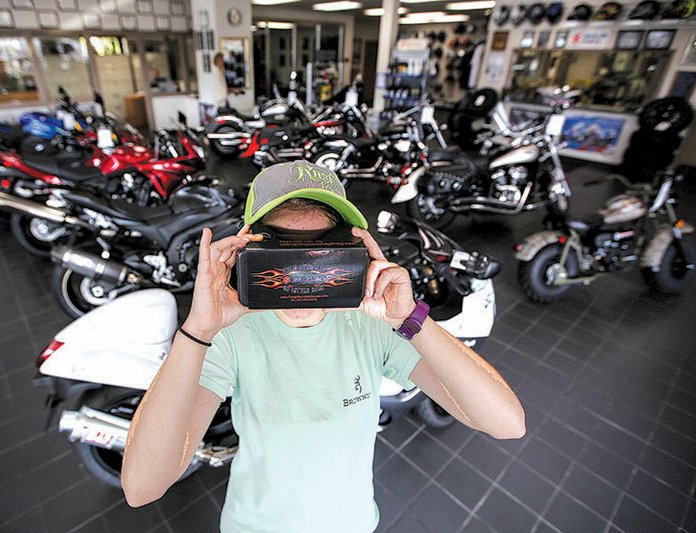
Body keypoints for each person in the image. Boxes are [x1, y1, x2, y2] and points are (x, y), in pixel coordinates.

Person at [121, 161, 526, 533]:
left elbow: (506, 424)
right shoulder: (234, 334)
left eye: (318, 254)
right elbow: (142, 487)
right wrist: (197, 330)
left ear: (348, 252)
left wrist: (411, 319)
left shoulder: (372, 327)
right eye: (280, 255)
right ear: (249, 252)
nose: (301, 277)